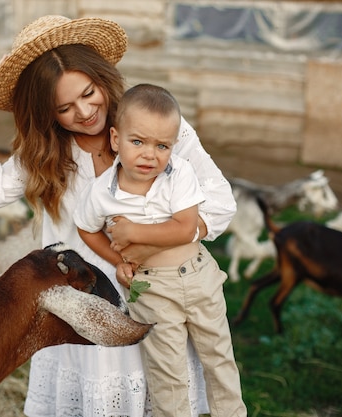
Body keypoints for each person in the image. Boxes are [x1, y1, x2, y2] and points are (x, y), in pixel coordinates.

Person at [0, 14, 237, 417]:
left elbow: (220, 202)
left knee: (165, 394)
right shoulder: (45, 154)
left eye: (89, 93)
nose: (84, 112)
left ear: (103, 78)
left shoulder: (152, 129)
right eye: (64, 107)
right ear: (47, 113)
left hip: (159, 295)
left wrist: (159, 238)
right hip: (85, 304)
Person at [74, 83, 247, 417]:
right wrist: (119, 260)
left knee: (219, 358)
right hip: (150, 289)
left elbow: (185, 228)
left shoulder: (179, 173)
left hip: (197, 277)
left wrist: (133, 232)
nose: (150, 154)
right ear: (115, 139)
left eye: (162, 145)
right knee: (167, 372)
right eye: (137, 141)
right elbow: (85, 228)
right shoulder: (101, 193)